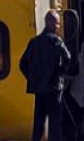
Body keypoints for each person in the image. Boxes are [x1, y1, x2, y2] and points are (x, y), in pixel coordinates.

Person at [19, 10, 72, 141]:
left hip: (39, 90)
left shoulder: (34, 42)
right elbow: (68, 57)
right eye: (58, 24)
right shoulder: (56, 41)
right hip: (54, 90)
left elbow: (22, 63)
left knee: (38, 124)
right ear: (52, 24)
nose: (59, 27)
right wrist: (61, 73)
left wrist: (32, 78)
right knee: (55, 125)